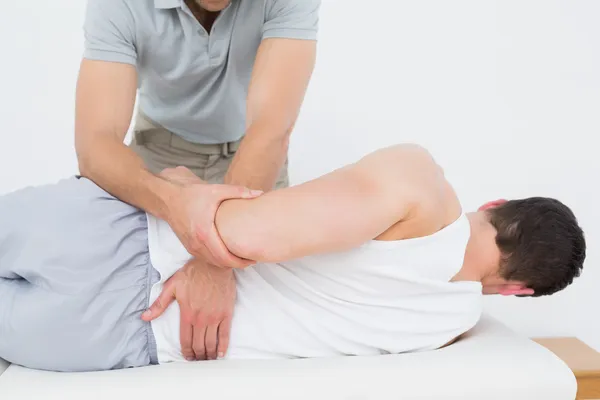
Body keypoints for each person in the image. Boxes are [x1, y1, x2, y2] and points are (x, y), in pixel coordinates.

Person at [0, 144, 586, 372]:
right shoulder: (447, 329)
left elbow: (244, 236)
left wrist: (178, 183)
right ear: (517, 291)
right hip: (121, 338)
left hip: (117, 238)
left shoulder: (422, 188)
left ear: (496, 204)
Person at [75, 0, 320, 353]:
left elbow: (269, 131)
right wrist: (177, 203)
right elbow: (95, 144)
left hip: (252, 155)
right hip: (159, 159)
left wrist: (213, 261)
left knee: (274, 308)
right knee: (118, 295)